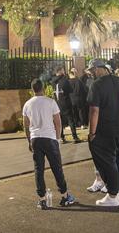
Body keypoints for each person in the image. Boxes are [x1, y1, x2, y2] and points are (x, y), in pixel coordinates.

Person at [23, 78, 76, 209]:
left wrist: (29, 141)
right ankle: (64, 196)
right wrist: (57, 139)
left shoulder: (27, 104)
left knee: (38, 169)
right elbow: (58, 123)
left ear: (32, 89)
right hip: (50, 138)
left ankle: (42, 199)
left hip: (36, 139)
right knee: (56, 168)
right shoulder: (51, 102)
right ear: (43, 88)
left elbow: (26, 125)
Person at [86, 59, 119, 207]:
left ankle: (112, 195)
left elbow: (94, 110)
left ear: (100, 69)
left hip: (105, 131)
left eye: (93, 70)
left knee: (107, 162)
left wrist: (92, 132)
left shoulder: (97, 85)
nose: (92, 73)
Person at [51, 67, 81, 143]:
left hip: (57, 104)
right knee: (71, 120)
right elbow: (70, 90)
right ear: (60, 71)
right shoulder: (65, 80)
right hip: (66, 103)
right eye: (63, 70)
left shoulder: (53, 81)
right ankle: (75, 137)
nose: (64, 71)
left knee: (59, 121)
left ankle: (62, 138)